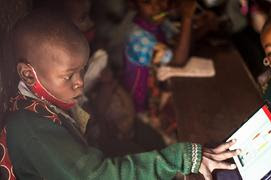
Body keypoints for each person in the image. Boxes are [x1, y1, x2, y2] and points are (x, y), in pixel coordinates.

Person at [0, 9, 239, 180]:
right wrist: (178, 159)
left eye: (83, 71)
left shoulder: (46, 106)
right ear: (29, 75)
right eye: (69, 75)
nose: (80, 82)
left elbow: (96, 154)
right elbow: (96, 175)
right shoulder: (30, 127)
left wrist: (169, 161)